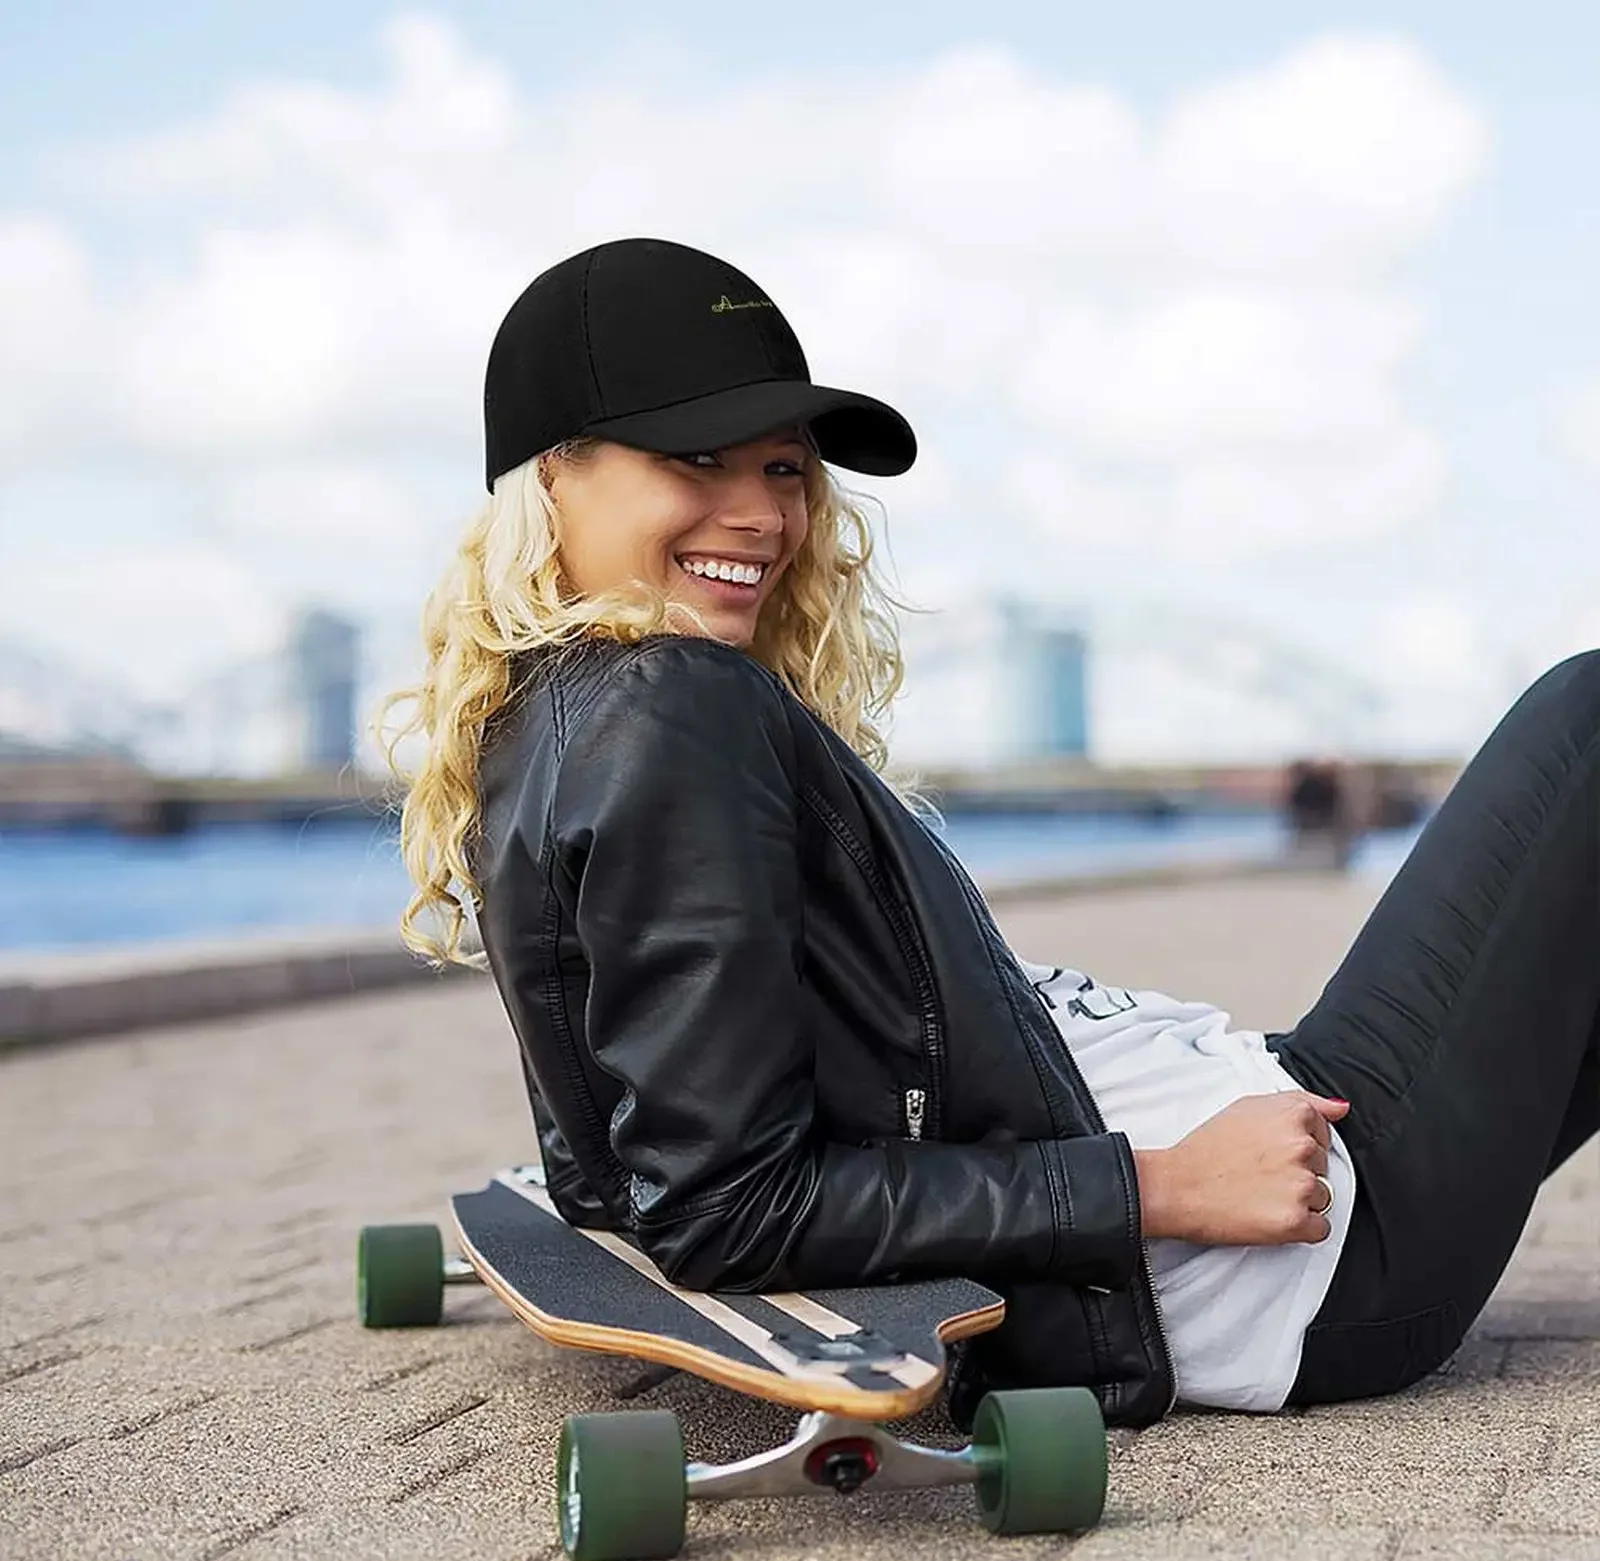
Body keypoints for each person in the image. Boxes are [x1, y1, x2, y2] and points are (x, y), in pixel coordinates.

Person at [380, 237, 1599, 1429]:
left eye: (786, 469)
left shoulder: (546, 717)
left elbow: (634, 1158)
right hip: (1304, 1240)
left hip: (1271, 1130)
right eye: (698, 458)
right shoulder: (667, 707)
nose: (760, 514)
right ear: (551, 476)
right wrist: (1161, 1186)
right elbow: (726, 1209)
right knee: (1585, 716)